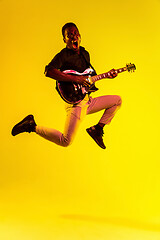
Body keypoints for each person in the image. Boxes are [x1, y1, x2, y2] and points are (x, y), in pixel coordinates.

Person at [11, 22, 122, 149]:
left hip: (88, 102)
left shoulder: (85, 54)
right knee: (66, 141)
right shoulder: (63, 55)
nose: (74, 37)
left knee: (117, 101)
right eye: (70, 35)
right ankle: (32, 126)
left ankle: (97, 129)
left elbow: (89, 78)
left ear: (80, 36)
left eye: (76, 33)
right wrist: (76, 79)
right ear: (65, 40)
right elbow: (49, 71)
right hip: (76, 104)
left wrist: (107, 75)